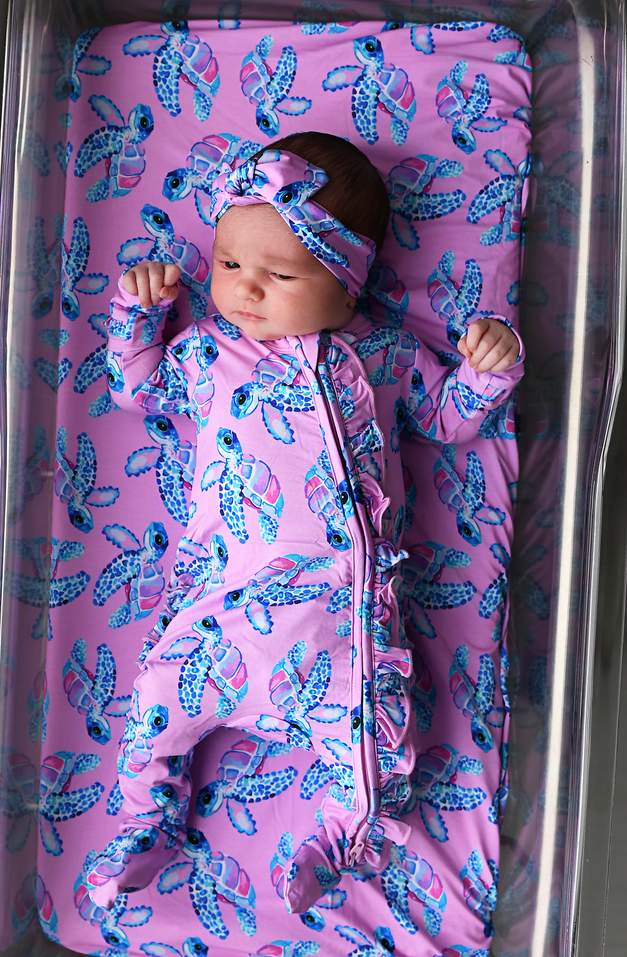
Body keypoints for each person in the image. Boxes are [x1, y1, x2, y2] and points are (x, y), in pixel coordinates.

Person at [84, 132, 522, 915]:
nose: (246, 288)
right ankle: (144, 820)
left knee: (373, 745)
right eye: (228, 265)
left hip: (338, 617)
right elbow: (135, 386)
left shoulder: (381, 354)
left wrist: (487, 369)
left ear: (349, 282)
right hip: (223, 608)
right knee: (156, 698)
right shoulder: (206, 353)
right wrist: (139, 313)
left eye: (281, 274)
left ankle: (343, 837)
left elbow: (447, 419)